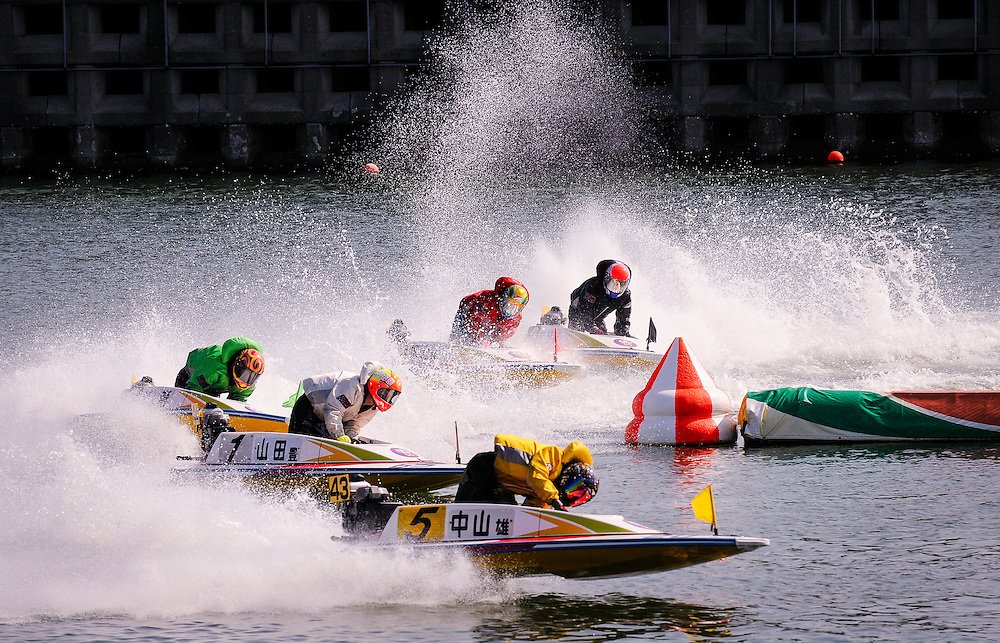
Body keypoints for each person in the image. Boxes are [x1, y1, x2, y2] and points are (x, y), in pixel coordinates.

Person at [455, 433, 599, 511]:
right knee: (462, 511)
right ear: (571, 474)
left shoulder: (545, 494)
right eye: (574, 489)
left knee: (508, 516)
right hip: (484, 468)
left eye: (579, 498)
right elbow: (537, 475)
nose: (572, 496)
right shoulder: (554, 456)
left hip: (500, 485)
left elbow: (532, 513)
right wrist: (554, 500)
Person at [287, 361, 403, 442]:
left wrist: (350, 439)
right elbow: (333, 410)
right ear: (376, 385)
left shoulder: (373, 408)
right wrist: (339, 435)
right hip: (309, 408)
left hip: (327, 420)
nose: (387, 398)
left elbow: (354, 425)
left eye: (392, 396)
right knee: (301, 444)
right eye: (386, 393)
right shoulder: (353, 386)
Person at [174, 337, 265, 402]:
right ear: (237, 365)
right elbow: (194, 388)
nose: (247, 380)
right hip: (188, 380)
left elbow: (236, 403)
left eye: (253, 377)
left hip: (213, 390)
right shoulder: (215, 366)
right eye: (245, 374)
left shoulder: (248, 387)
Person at [450, 277, 529, 347]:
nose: (510, 311)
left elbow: (504, 334)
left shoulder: (516, 318)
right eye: (508, 305)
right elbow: (474, 324)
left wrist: (497, 342)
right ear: (502, 299)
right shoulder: (486, 303)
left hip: (488, 319)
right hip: (467, 309)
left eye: (515, 308)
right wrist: (482, 340)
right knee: (462, 337)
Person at [568, 259, 632, 336]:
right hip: (578, 312)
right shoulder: (593, 286)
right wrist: (593, 328)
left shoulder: (625, 296)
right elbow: (584, 311)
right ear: (607, 279)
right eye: (613, 283)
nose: (616, 289)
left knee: (602, 333)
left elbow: (624, 319)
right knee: (577, 329)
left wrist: (623, 332)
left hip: (598, 318)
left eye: (621, 285)